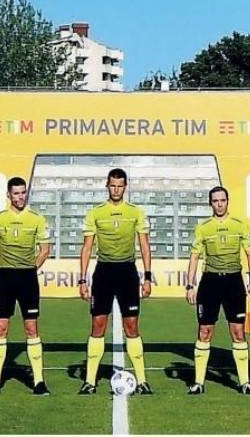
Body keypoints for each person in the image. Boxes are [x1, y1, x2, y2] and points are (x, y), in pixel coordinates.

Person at [78, 168, 153, 395]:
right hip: (103, 273)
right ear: (107, 186)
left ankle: (142, 381)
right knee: (98, 325)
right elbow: (87, 247)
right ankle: (90, 381)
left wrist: (147, 277)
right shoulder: (96, 213)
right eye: (112, 185)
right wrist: (83, 279)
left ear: (125, 186)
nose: (116, 189)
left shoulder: (136, 212)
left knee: (132, 327)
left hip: (128, 273)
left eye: (120, 186)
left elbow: (145, 246)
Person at [185, 186, 250, 395]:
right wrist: (190, 284)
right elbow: (194, 257)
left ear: (228, 201)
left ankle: (244, 383)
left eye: (222, 200)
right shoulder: (203, 228)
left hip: (234, 282)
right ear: (210, 203)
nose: (219, 204)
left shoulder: (239, 225)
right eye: (215, 201)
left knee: (238, 332)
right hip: (210, 283)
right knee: (205, 331)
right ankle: (198, 382)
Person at [0, 177, 51, 396]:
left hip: (27, 279)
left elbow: (45, 249)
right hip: (5, 278)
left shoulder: (37, 219)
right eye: (16, 193)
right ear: (9, 195)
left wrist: (31, 267)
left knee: (31, 328)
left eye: (23, 193)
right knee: (0, 328)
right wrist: (3, 264)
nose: (20, 197)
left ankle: (39, 382)